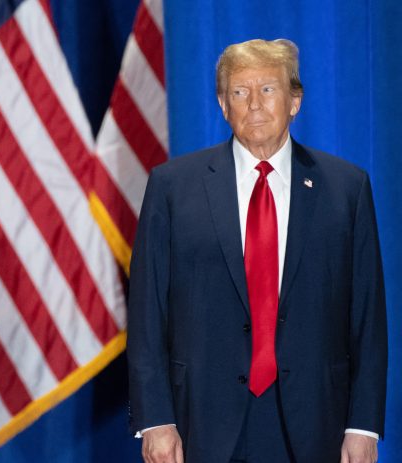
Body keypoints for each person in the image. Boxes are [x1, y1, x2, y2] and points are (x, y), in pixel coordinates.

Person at [126, 38, 386, 463]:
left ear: (295, 101)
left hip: (316, 421)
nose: (254, 104)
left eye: (267, 89)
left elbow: (367, 316)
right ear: (223, 105)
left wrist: (363, 425)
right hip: (201, 422)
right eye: (239, 91)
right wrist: (155, 419)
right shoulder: (172, 188)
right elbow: (147, 313)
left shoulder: (346, 189)